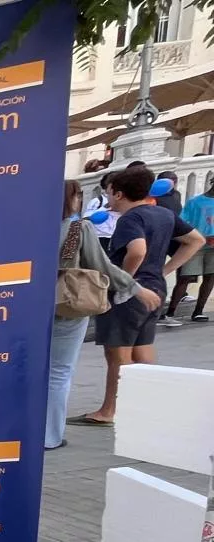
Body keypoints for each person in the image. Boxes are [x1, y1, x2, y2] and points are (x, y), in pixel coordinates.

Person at [73, 165, 202, 427]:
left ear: (118, 193)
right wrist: (164, 270)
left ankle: (110, 410)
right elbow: (195, 240)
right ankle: (147, 404)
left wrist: (125, 282)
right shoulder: (164, 214)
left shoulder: (131, 219)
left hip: (130, 294)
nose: (108, 199)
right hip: (155, 287)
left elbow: (137, 250)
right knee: (142, 349)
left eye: (109, 193)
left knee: (118, 354)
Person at [50, 180, 156, 450]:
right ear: (71, 199)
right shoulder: (78, 227)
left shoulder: (29, 228)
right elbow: (102, 266)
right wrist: (136, 289)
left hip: (31, 310)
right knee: (59, 372)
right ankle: (49, 436)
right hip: (67, 306)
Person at [170, 180, 214, 323]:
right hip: (196, 244)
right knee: (186, 277)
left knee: (210, 277)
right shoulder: (195, 202)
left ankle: (198, 311)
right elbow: (183, 222)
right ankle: (170, 312)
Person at [84, 172, 119, 251]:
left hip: (114, 237)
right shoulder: (98, 201)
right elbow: (85, 218)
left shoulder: (121, 201)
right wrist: (104, 208)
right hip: (99, 237)